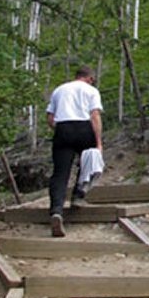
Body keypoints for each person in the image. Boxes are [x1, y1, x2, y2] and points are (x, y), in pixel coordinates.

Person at [46, 66, 103, 237]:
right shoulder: (91, 91)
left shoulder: (59, 90)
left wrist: (60, 131)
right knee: (88, 162)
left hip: (63, 128)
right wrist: (98, 142)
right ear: (89, 78)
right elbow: (94, 115)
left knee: (60, 173)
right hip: (84, 127)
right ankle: (78, 195)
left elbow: (50, 118)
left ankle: (56, 210)